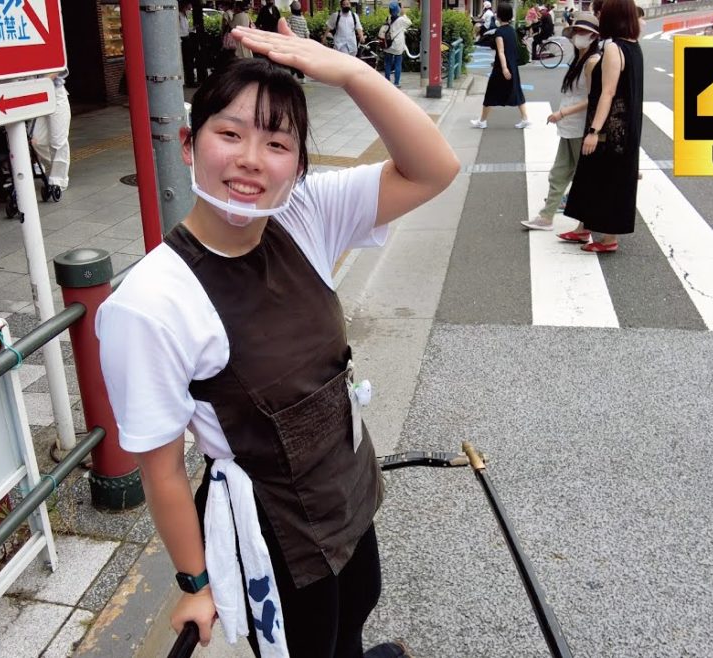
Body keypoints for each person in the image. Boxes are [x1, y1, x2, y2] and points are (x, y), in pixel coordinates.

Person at [96, 23, 460, 658]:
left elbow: (435, 167)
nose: (251, 159)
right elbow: (161, 469)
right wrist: (194, 583)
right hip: (275, 535)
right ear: (190, 143)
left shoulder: (305, 213)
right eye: (229, 134)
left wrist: (352, 73)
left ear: (297, 164)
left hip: (349, 487)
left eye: (277, 143)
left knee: (358, 609)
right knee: (307, 644)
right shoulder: (150, 303)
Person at [558, 0, 643, 253]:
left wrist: (594, 132)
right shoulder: (633, 46)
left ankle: (608, 239)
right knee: (589, 175)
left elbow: (608, 93)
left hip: (611, 129)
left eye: (602, 13)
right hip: (621, 125)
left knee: (609, 180)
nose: (599, 16)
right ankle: (583, 227)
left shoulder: (615, 49)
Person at [522, 12, 601, 231]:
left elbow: (592, 98)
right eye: (576, 31)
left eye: (583, 32)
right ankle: (546, 217)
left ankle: (585, 224)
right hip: (570, 126)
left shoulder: (593, 62)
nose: (578, 36)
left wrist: (563, 113)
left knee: (582, 176)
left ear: (594, 37)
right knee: (560, 172)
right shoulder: (579, 59)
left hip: (580, 126)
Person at [472, 4, 531, 128]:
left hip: (501, 67)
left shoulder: (499, 32)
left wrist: (504, 68)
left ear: (498, 16)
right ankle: (525, 118)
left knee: (491, 93)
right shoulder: (512, 30)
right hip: (513, 66)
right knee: (516, 91)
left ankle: (482, 121)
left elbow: (501, 51)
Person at [30, 70, 71, 193]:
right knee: (35, 141)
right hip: (35, 95)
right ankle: (58, 163)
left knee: (58, 141)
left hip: (55, 93)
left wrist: (37, 84)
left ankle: (58, 181)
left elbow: (57, 68)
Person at [381, 2, 411, 86]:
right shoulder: (401, 20)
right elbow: (409, 23)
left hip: (388, 44)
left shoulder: (388, 18)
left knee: (388, 63)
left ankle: (387, 81)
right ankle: (396, 83)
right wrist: (403, 13)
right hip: (397, 45)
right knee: (398, 63)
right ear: (398, 10)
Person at [286, 2, 309, 82]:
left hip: (292, 42)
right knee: (296, 59)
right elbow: (306, 31)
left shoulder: (291, 18)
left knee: (293, 59)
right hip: (301, 42)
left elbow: (287, 28)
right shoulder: (303, 18)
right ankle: (297, 76)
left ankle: (299, 76)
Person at [180, 2, 198, 87]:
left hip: (186, 38)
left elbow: (186, 29)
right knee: (188, 61)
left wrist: (192, 28)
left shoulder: (184, 15)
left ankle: (190, 80)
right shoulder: (179, 15)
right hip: (182, 39)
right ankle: (190, 81)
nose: (189, 9)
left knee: (189, 60)